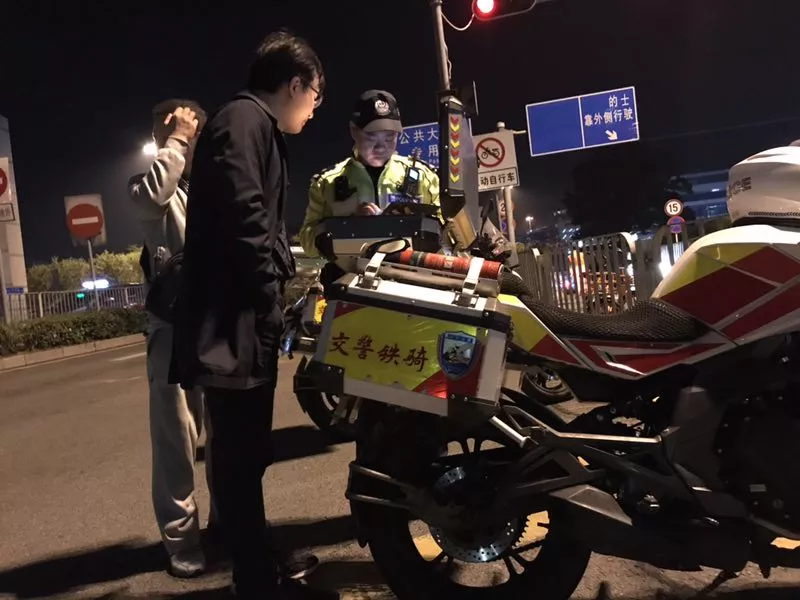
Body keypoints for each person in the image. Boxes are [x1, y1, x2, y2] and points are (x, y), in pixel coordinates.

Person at [172, 30, 336, 600]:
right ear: (294, 84)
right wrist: (270, 302)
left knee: (245, 459)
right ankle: (257, 581)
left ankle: (260, 568)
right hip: (231, 327)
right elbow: (248, 223)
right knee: (240, 461)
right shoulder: (243, 122)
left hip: (237, 322)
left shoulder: (248, 123)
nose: (314, 109)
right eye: (315, 96)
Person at [128, 99, 215, 578]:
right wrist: (176, 142)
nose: (187, 142)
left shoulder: (212, 186)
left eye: (191, 133)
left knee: (224, 437)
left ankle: (229, 526)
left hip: (218, 326)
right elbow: (149, 200)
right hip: (173, 327)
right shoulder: (150, 187)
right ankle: (182, 542)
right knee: (176, 442)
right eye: (177, 133)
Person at [298, 90, 439, 289]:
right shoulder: (327, 182)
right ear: (353, 131)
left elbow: (446, 234)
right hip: (349, 288)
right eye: (371, 136)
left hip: (410, 286)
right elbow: (308, 241)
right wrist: (349, 226)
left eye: (389, 137)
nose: (381, 146)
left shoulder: (424, 176)